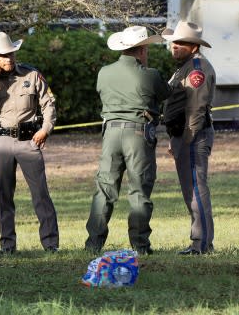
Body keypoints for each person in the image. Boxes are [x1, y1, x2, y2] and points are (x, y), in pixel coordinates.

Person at [85, 26, 171, 255]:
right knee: (139, 190)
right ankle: (140, 245)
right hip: (138, 134)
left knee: (104, 188)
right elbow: (166, 93)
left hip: (110, 133)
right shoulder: (150, 74)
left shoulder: (104, 72)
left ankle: (93, 243)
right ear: (142, 49)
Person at [0, 32, 59, 254]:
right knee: (4, 196)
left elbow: (48, 103)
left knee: (41, 194)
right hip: (0, 142)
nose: (8, 59)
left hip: (29, 141)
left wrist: (45, 129)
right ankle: (7, 246)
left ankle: (50, 245)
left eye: (11, 54)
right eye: (3, 56)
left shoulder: (31, 74)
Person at [161, 21, 216, 255]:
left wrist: (186, 139)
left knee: (195, 188)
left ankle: (201, 244)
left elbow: (195, 108)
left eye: (181, 42)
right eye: (173, 41)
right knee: (190, 189)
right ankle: (199, 242)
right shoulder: (183, 66)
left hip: (193, 135)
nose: (175, 45)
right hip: (182, 134)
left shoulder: (196, 69)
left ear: (194, 46)